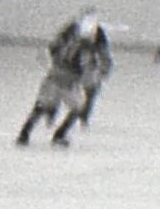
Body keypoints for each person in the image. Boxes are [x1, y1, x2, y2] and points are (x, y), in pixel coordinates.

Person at [17, 11, 104, 148]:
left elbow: (48, 52)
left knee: (41, 106)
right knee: (76, 108)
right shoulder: (85, 49)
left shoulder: (65, 42)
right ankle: (59, 135)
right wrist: (93, 79)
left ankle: (24, 134)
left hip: (52, 77)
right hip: (68, 82)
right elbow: (87, 68)